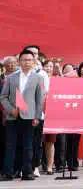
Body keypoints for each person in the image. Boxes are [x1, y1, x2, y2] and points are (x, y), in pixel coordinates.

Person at [1, 50, 47, 181]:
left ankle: (27, 172)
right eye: (24, 60)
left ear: (33, 62)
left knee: (28, 146)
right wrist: (11, 110)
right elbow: (3, 97)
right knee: (10, 145)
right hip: (13, 116)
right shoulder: (11, 78)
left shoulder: (38, 78)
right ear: (19, 62)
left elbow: (40, 99)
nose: (27, 62)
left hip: (29, 116)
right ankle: (8, 172)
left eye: (29, 60)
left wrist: (37, 116)